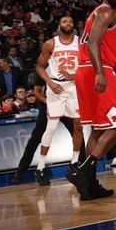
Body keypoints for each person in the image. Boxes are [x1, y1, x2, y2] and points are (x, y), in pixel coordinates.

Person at [68, 0, 116, 200]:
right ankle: (82, 171)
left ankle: (89, 186)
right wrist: (101, 73)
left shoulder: (99, 12)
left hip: (85, 70)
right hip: (97, 69)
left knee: (99, 130)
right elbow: (93, 43)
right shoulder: (105, 11)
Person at [33, 16, 84, 186]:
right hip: (56, 87)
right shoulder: (50, 43)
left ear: (73, 25)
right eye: (64, 22)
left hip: (74, 86)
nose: (68, 24)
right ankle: (40, 168)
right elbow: (39, 66)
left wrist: (76, 75)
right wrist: (50, 83)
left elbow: (88, 64)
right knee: (51, 127)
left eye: (70, 21)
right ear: (59, 26)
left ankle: (74, 163)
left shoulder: (80, 42)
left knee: (78, 126)